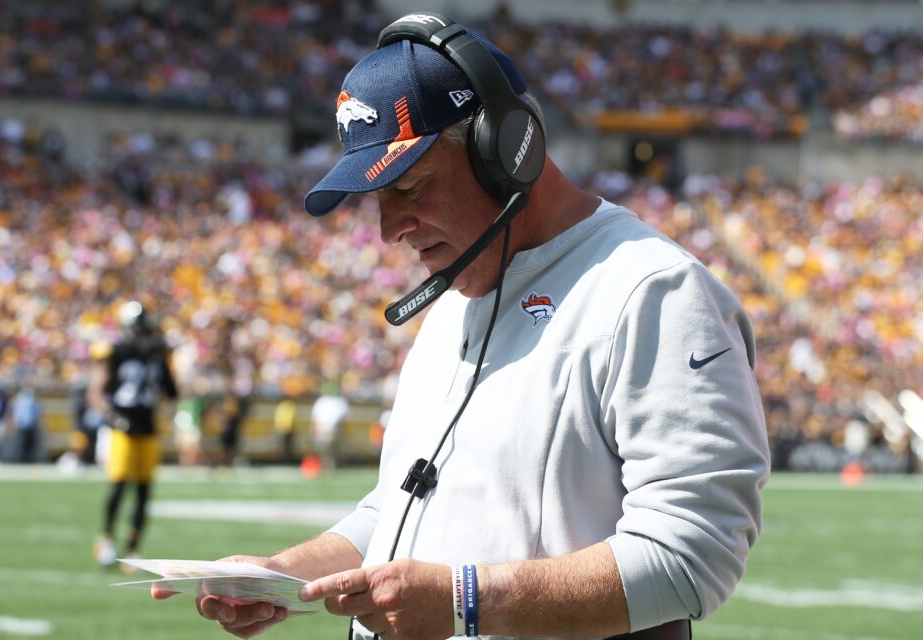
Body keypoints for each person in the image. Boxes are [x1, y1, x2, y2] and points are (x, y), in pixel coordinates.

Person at [154, 14, 769, 640]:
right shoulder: (455, 298)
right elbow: (403, 511)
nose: (390, 228)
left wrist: (464, 601)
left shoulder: (654, 291)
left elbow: (695, 552)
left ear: (505, 148)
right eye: (378, 200)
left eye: (411, 187)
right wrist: (285, 574)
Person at [91, 300, 178, 569]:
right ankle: (106, 538)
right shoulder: (115, 352)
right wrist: (113, 417)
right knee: (119, 485)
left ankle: (133, 550)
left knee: (143, 491)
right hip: (122, 429)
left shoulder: (157, 354)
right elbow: (95, 391)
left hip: (147, 428)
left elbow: (171, 392)